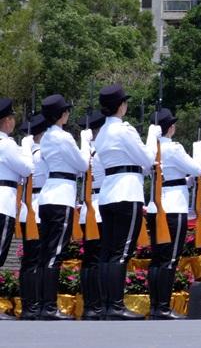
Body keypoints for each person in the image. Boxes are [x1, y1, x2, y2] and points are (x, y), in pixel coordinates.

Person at [93, 84, 157, 320]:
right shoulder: (124, 130)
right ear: (121, 106)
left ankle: (107, 305)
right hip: (127, 192)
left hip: (108, 193)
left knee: (108, 252)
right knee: (121, 253)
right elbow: (147, 159)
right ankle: (116, 306)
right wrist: (152, 136)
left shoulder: (102, 133)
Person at [145, 108, 201, 319]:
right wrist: (199, 149)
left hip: (155, 207)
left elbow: (170, 178)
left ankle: (155, 305)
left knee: (157, 259)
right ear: (170, 128)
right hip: (173, 209)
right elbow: (197, 169)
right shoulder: (174, 148)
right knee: (169, 260)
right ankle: (163, 307)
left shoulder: (151, 149)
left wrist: (186, 182)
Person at [37, 94, 88, 319]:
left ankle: (42, 304)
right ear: (61, 114)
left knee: (45, 253)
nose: (68, 114)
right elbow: (82, 164)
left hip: (48, 196)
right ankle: (49, 307)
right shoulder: (64, 137)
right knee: (55, 254)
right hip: (62, 197)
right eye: (66, 111)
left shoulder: (46, 137)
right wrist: (85, 144)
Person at [0, 99, 33, 320]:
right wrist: (27, 148)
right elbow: (27, 168)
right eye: (12, 118)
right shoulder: (6, 144)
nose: (13, 122)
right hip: (3, 201)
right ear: (6, 121)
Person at [17, 113, 48, 320]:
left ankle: (29, 304)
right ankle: (34, 304)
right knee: (36, 260)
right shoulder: (42, 154)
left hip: (27, 208)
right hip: (38, 207)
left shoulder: (26, 152)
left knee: (29, 260)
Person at [76, 112, 106, 321]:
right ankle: (97, 303)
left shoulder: (85, 150)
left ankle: (90, 304)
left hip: (88, 209)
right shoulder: (103, 149)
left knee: (89, 260)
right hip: (100, 207)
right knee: (97, 259)